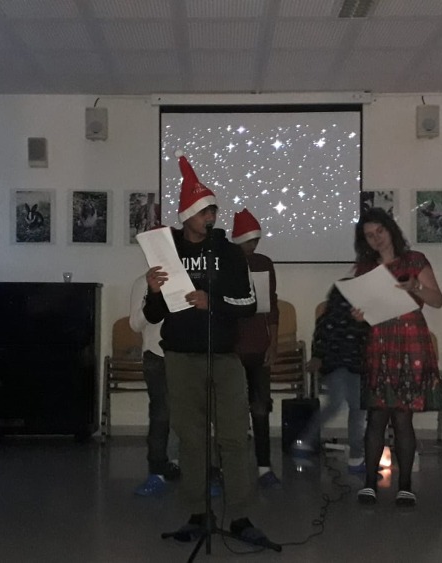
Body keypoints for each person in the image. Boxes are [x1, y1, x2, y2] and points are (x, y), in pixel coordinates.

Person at [144, 151, 270, 545]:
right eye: (203, 211)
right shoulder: (169, 253)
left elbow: (248, 304)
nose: (210, 216)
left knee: (233, 437)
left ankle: (240, 517)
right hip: (180, 357)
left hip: (224, 357)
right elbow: (152, 315)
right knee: (191, 440)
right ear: (186, 216)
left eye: (213, 210)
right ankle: (198, 513)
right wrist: (153, 291)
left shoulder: (228, 252)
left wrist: (211, 302)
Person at [352, 208, 442, 507]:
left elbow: (437, 300)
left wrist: (416, 286)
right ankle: (369, 484)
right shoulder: (366, 269)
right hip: (379, 340)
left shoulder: (414, 260)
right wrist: (359, 315)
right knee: (376, 415)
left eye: (380, 231)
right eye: (369, 235)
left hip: (410, 339)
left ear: (390, 229)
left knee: (403, 417)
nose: (376, 238)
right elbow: (364, 310)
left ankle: (405, 486)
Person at [231, 208, 281, 489]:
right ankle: (231, 468)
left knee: (261, 409)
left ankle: (264, 467)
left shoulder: (263, 263)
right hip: (232, 349)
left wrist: (273, 342)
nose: (253, 246)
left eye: (256, 241)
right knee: (232, 412)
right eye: (249, 240)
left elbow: (272, 305)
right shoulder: (226, 261)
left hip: (259, 346)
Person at [296, 282, 369, 474]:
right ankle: (306, 442)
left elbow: (368, 342)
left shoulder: (360, 320)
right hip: (339, 368)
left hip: (352, 369)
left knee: (353, 407)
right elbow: (320, 341)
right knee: (342, 405)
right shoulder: (332, 319)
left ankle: (355, 457)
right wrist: (317, 358)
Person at [129, 273, 181, 496]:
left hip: (187, 355)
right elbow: (135, 324)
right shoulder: (142, 282)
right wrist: (153, 297)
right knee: (161, 413)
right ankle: (156, 471)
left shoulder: (188, 277)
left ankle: (183, 465)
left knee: (193, 413)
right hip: (156, 355)